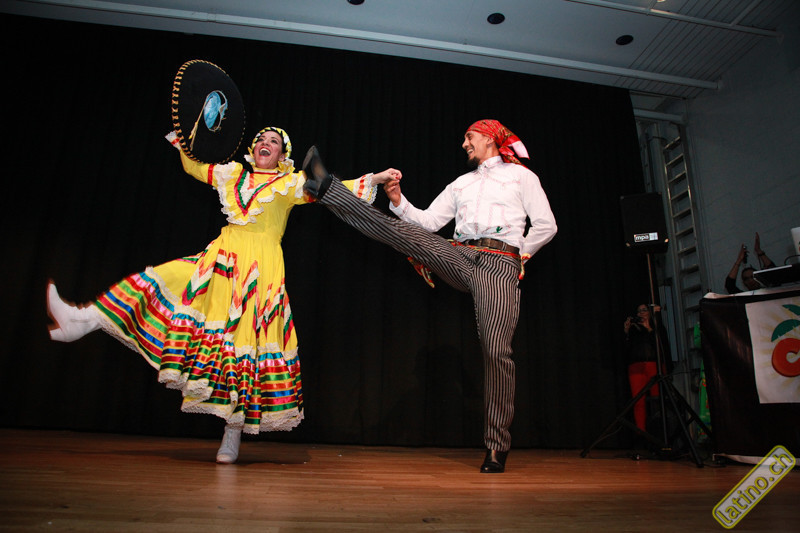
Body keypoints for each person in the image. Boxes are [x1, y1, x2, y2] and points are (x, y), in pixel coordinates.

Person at [46, 126, 397, 464]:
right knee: (155, 280)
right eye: (261, 139)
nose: (265, 143)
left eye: (273, 141)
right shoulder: (232, 176)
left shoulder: (289, 183)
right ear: (253, 149)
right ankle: (82, 320)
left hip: (260, 272)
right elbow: (195, 167)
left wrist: (376, 179)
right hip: (219, 261)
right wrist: (186, 134)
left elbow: (333, 189)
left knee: (245, 349)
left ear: (282, 155)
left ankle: (232, 434)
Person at [302, 119, 557, 473]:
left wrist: (520, 256)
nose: (465, 144)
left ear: (489, 138)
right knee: (403, 234)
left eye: (469, 137)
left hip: (499, 264)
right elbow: (427, 222)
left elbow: (546, 225)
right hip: (460, 255)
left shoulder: (521, 177)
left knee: (496, 351)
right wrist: (398, 201)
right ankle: (329, 189)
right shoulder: (461, 184)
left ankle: (497, 446)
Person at [623, 304, 668, 434]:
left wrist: (649, 328)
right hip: (636, 367)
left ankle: (660, 431)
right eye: (639, 311)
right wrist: (626, 332)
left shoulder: (657, 328)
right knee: (638, 401)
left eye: (644, 310)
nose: (641, 313)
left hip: (654, 365)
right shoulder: (634, 330)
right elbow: (626, 350)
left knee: (657, 399)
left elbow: (662, 346)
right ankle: (641, 432)